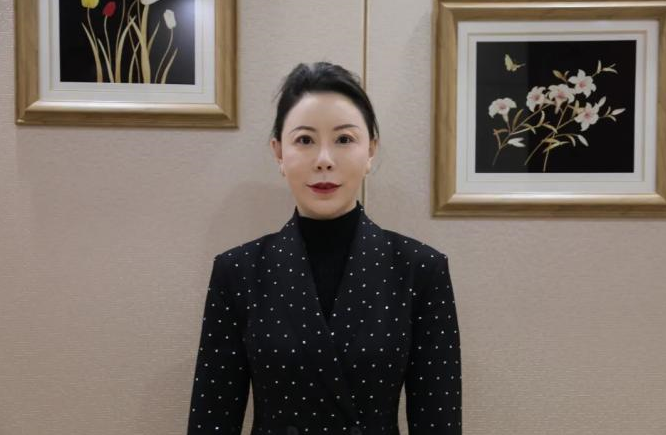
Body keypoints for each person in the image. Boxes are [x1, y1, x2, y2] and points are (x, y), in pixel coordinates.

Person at [186, 62, 462, 435]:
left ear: (371, 151)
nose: (324, 160)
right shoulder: (237, 271)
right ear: (278, 153)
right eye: (305, 140)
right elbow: (212, 420)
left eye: (344, 139)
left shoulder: (420, 270)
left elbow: (438, 422)